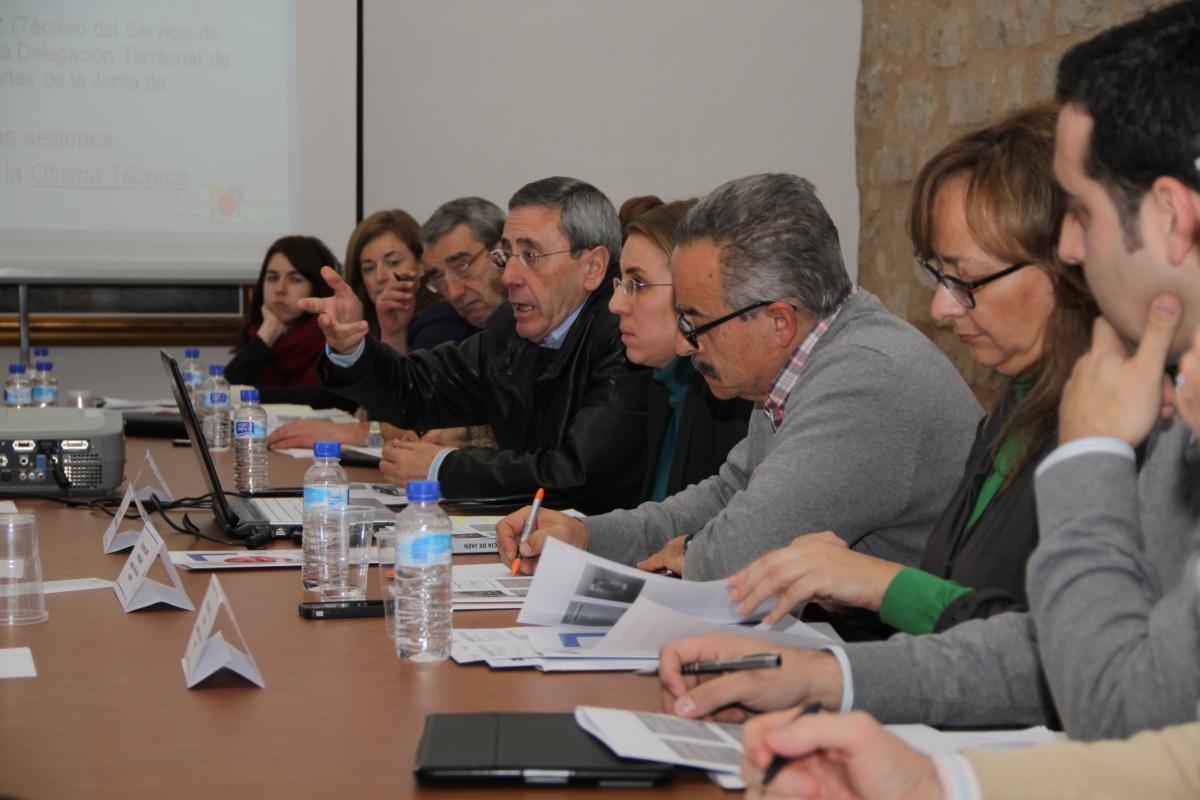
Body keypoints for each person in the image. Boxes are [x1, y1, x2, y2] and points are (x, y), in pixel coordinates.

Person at [656, 0, 1200, 741]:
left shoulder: (1131, 412)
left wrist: (1092, 458)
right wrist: (828, 677)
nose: (1073, 247)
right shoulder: (1029, 399)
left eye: (1082, 212)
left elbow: (1119, 700)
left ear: (1173, 216)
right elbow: (1030, 645)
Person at [726, 106, 1097, 635]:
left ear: (1068, 264)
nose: (942, 309)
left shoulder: (1114, 428)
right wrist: (847, 586)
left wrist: (876, 587)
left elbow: (1049, 648)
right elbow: (959, 599)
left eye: (965, 279)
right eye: (937, 276)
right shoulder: (1018, 405)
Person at [497, 173, 980, 580]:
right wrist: (585, 535)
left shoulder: (867, 380)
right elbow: (729, 495)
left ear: (777, 321)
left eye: (696, 320)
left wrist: (689, 554)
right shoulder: (806, 360)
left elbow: (743, 552)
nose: (689, 340)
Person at [302, 176, 648, 513]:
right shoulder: (509, 327)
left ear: (593, 266)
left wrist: (442, 468)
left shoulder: (624, 335)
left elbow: (579, 475)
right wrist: (352, 348)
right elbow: (418, 386)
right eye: (506, 256)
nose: (509, 276)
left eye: (531, 255)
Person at [266, 197, 507, 452]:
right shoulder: (485, 334)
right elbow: (410, 402)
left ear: (502, 254)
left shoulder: (442, 319)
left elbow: (414, 425)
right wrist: (365, 343)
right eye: (368, 268)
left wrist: (338, 433)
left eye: (463, 265)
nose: (454, 292)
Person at [612, 195, 753, 504]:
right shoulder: (660, 384)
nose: (615, 304)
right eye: (620, 284)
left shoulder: (733, 402)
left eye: (637, 284)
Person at [225, 236, 343, 401]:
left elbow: (332, 398)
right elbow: (221, 392)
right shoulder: (259, 336)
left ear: (316, 289)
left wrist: (249, 395)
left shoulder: (336, 338)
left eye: (295, 279)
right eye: (273, 278)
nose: (280, 289)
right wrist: (267, 333)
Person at [342, 208, 475, 355]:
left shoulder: (441, 318)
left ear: (421, 264)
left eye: (393, 262)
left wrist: (394, 337)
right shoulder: (365, 324)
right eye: (369, 268)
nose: (380, 277)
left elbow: (414, 377)